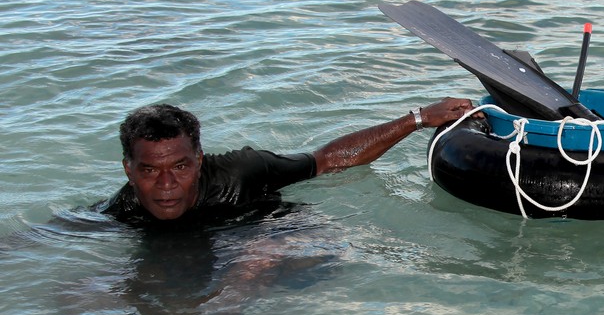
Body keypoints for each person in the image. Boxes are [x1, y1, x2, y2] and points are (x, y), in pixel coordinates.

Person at [98, 98, 475, 225]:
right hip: (205, 252)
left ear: (198, 160)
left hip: (279, 236)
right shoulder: (124, 210)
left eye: (180, 167)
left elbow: (329, 160)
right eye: (150, 171)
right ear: (129, 171)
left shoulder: (242, 171)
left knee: (255, 263)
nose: (166, 186)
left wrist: (419, 118)